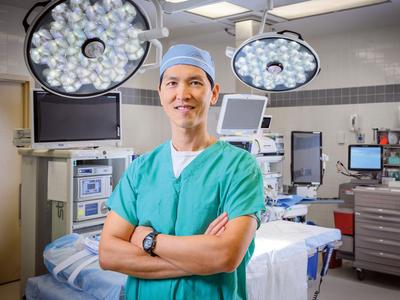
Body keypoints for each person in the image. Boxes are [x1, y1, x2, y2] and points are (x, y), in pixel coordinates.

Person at [99, 44, 265, 299]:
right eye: (172, 83)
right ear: (160, 92)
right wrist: (200, 259)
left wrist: (149, 240)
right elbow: (109, 254)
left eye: (195, 83)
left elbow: (225, 256)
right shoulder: (141, 170)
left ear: (214, 93)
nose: (182, 93)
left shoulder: (240, 167)